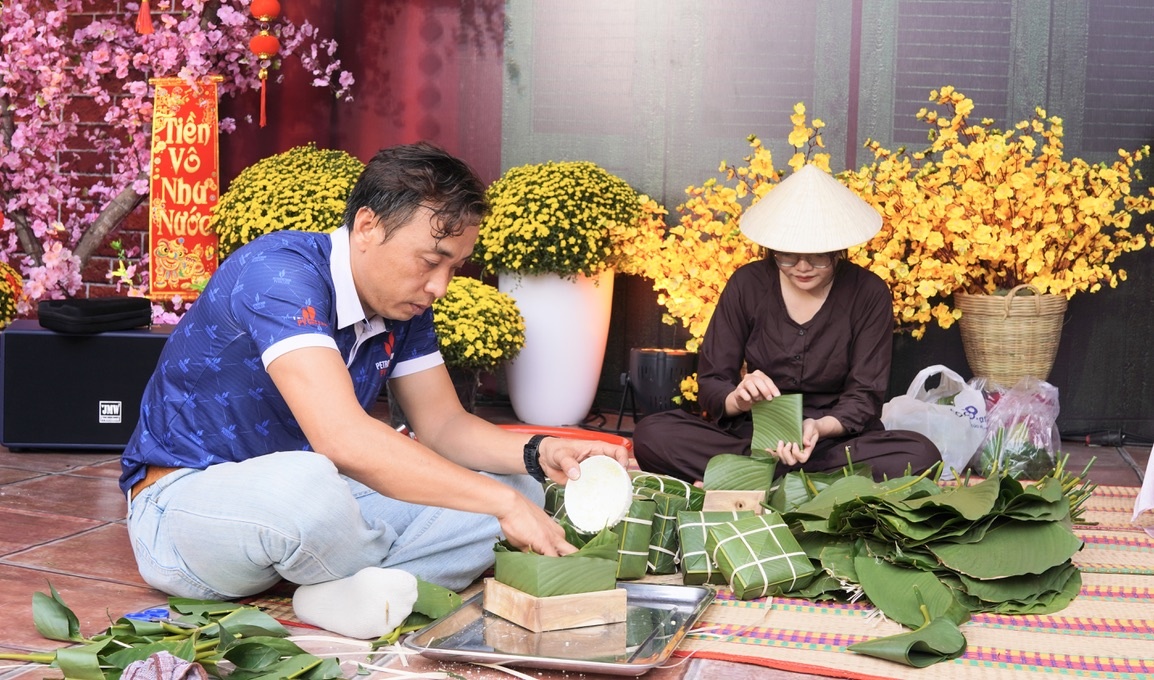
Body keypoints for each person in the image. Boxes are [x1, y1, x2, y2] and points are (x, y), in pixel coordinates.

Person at [120, 142, 630, 606]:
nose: (440, 286)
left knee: (521, 486)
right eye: (431, 261)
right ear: (367, 226)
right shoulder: (279, 274)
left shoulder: (404, 306)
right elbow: (342, 438)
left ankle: (345, 590)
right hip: (186, 502)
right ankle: (379, 579)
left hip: (328, 504)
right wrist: (498, 506)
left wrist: (540, 451)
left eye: (455, 268)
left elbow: (444, 425)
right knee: (308, 486)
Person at [633, 164, 940, 483]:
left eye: (818, 257)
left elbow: (865, 396)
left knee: (921, 455)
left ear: (839, 250)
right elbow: (712, 382)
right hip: (753, 436)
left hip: (832, 441)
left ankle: (756, 478)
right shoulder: (747, 284)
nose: (802, 268)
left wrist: (818, 428)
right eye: (787, 256)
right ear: (772, 249)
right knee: (652, 434)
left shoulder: (868, 292)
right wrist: (739, 398)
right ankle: (805, 483)